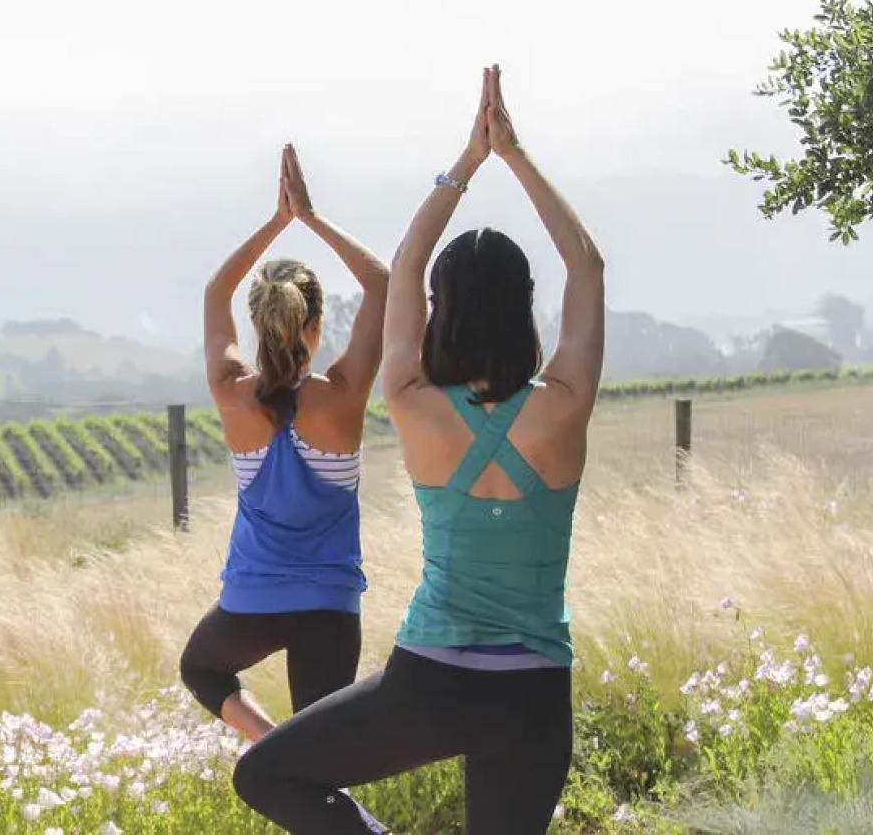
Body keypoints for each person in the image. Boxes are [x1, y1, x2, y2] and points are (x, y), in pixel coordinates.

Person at [232, 66, 605, 835]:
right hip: (534, 695)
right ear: (524, 309)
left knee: (265, 772)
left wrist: (467, 162)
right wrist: (515, 156)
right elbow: (587, 267)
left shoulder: (412, 402)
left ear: (441, 313)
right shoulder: (563, 407)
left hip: (430, 682)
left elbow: (403, 264)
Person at [178, 144, 390, 743]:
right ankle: (287, 754)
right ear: (315, 326)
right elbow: (382, 284)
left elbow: (215, 293)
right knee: (323, 753)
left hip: (252, 600)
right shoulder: (343, 397)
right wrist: (310, 218)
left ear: (257, 325)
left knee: (200, 668)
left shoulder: (231, 392)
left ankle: (272, 746)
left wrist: (277, 221)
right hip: (330, 605)